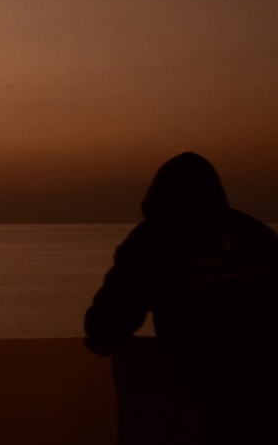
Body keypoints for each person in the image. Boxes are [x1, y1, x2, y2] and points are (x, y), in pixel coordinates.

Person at [85, 152, 278, 444]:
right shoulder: (258, 235)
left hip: (208, 397)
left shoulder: (155, 238)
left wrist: (105, 340)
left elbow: (108, 323)